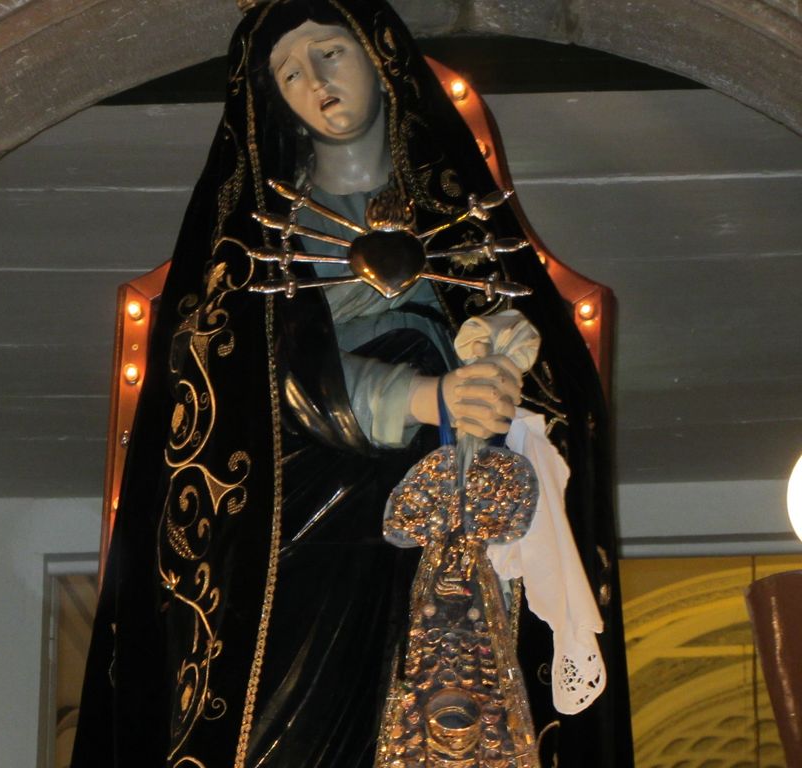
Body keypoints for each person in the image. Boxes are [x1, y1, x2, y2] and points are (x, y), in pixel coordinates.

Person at [71, 2, 632, 766]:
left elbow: (561, 396)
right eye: (289, 72)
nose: (315, 82)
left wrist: (504, 378)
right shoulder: (254, 239)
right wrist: (424, 393)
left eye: (329, 52)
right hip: (297, 526)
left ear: (378, 55)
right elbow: (251, 380)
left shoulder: (466, 223)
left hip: (444, 514)